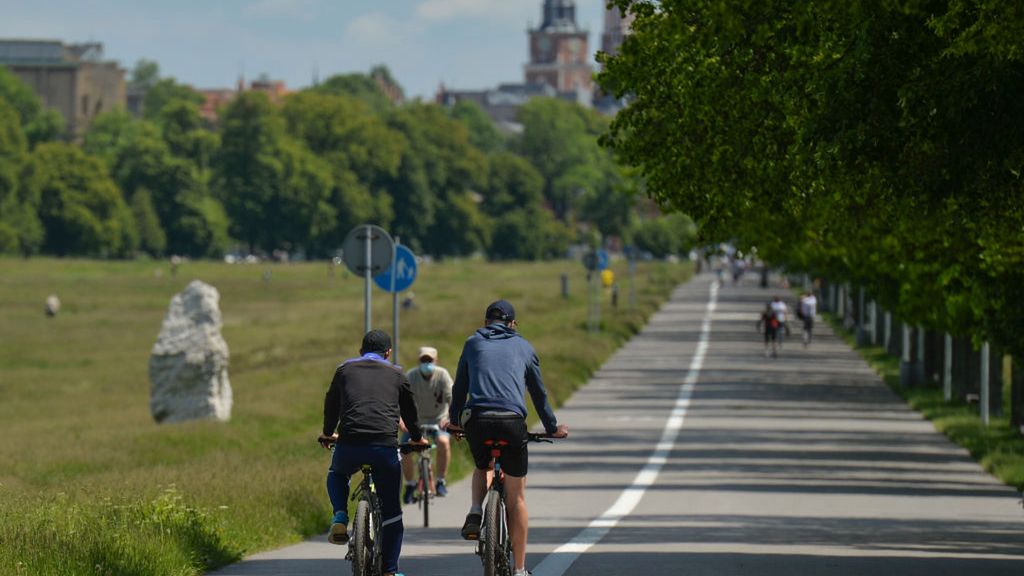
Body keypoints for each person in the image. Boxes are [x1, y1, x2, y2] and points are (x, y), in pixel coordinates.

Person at [447, 299, 569, 576]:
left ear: (485, 322)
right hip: (512, 422)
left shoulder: (471, 343)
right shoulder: (524, 346)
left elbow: (460, 388)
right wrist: (551, 427)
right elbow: (538, 393)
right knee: (517, 499)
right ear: (512, 324)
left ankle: (477, 510)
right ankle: (521, 569)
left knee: (483, 466)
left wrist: (455, 422)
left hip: (477, 420)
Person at [318, 329, 428, 576]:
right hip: (383, 448)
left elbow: (331, 404)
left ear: (361, 351)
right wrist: (418, 438)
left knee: (337, 473)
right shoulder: (397, 374)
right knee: (392, 513)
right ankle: (389, 571)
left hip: (350, 444)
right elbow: (410, 413)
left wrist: (327, 432)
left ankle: (339, 515)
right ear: (388, 353)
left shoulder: (344, 370)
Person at [400, 345, 454, 503]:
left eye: (429, 360)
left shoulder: (442, 375)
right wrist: (402, 421)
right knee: (404, 449)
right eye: (423, 360)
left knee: (444, 442)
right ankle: (410, 485)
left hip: (439, 420)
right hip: (416, 422)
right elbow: (400, 401)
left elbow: (452, 399)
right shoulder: (411, 376)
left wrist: (449, 418)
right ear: (419, 361)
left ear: (435, 361)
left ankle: (440, 481)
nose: (426, 363)